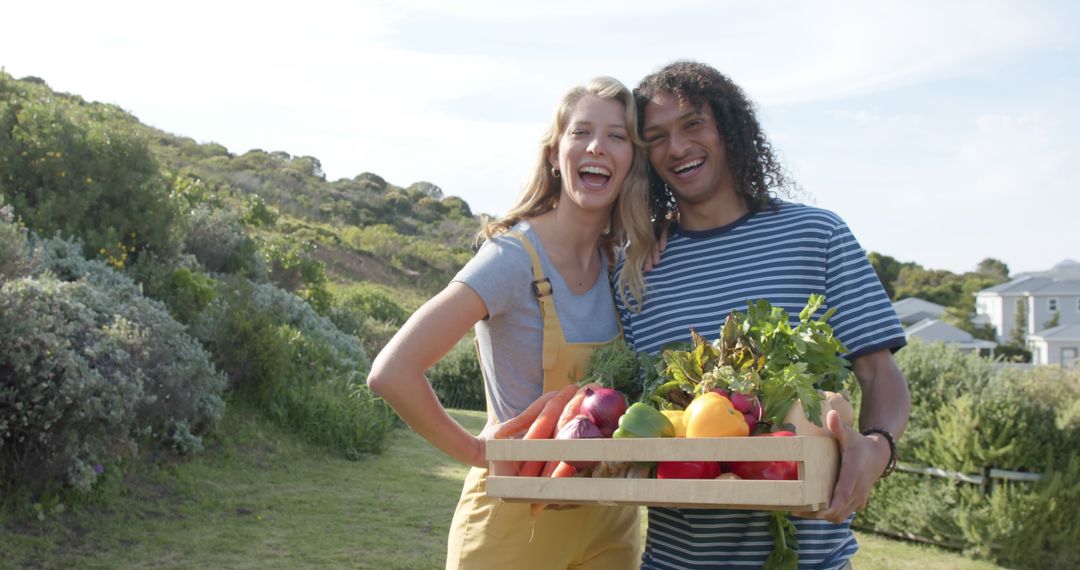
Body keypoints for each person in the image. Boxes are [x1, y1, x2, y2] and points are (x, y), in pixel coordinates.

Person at [612, 60, 911, 569]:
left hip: (811, 559)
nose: (677, 147)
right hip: (676, 560)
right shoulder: (637, 269)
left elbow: (880, 373)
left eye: (693, 124)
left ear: (728, 129)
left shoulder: (817, 237)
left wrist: (879, 447)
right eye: (655, 137)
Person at [367, 76, 654, 570]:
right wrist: (479, 453)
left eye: (617, 136)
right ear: (553, 154)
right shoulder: (511, 258)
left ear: (632, 161)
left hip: (611, 526)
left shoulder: (624, 265)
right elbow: (392, 372)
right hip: (515, 524)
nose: (597, 147)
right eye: (581, 132)